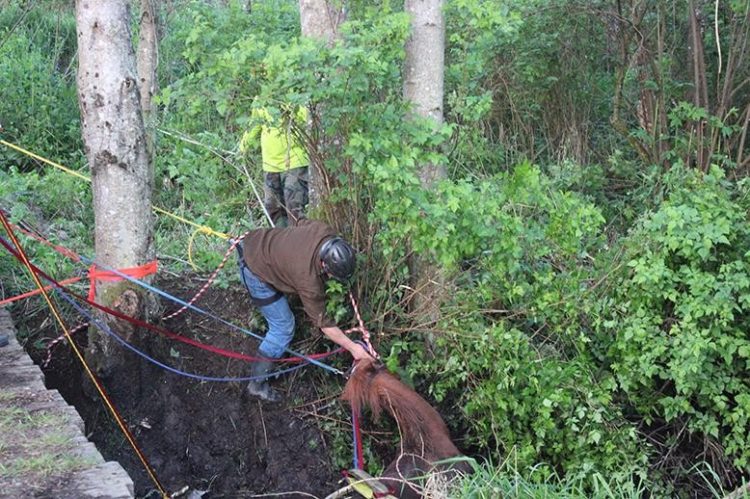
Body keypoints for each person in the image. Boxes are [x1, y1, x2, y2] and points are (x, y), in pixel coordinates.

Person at [236, 219, 372, 402]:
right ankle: (256, 385)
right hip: (254, 269)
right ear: (324, 265)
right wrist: (354, 348)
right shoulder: (309, 281)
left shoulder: (324, 230)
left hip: (257, 240)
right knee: (283, 328)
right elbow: (324, 324)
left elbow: (300, 221)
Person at [239, 104, 309, 227]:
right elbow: (255, 124)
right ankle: (281, 244)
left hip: (295, 162)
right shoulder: (261, 98)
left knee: (294, 208)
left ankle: (300, 242)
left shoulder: (295, 90)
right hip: (270, 165)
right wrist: (242, 147)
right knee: (273, 210)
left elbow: (306, 119)